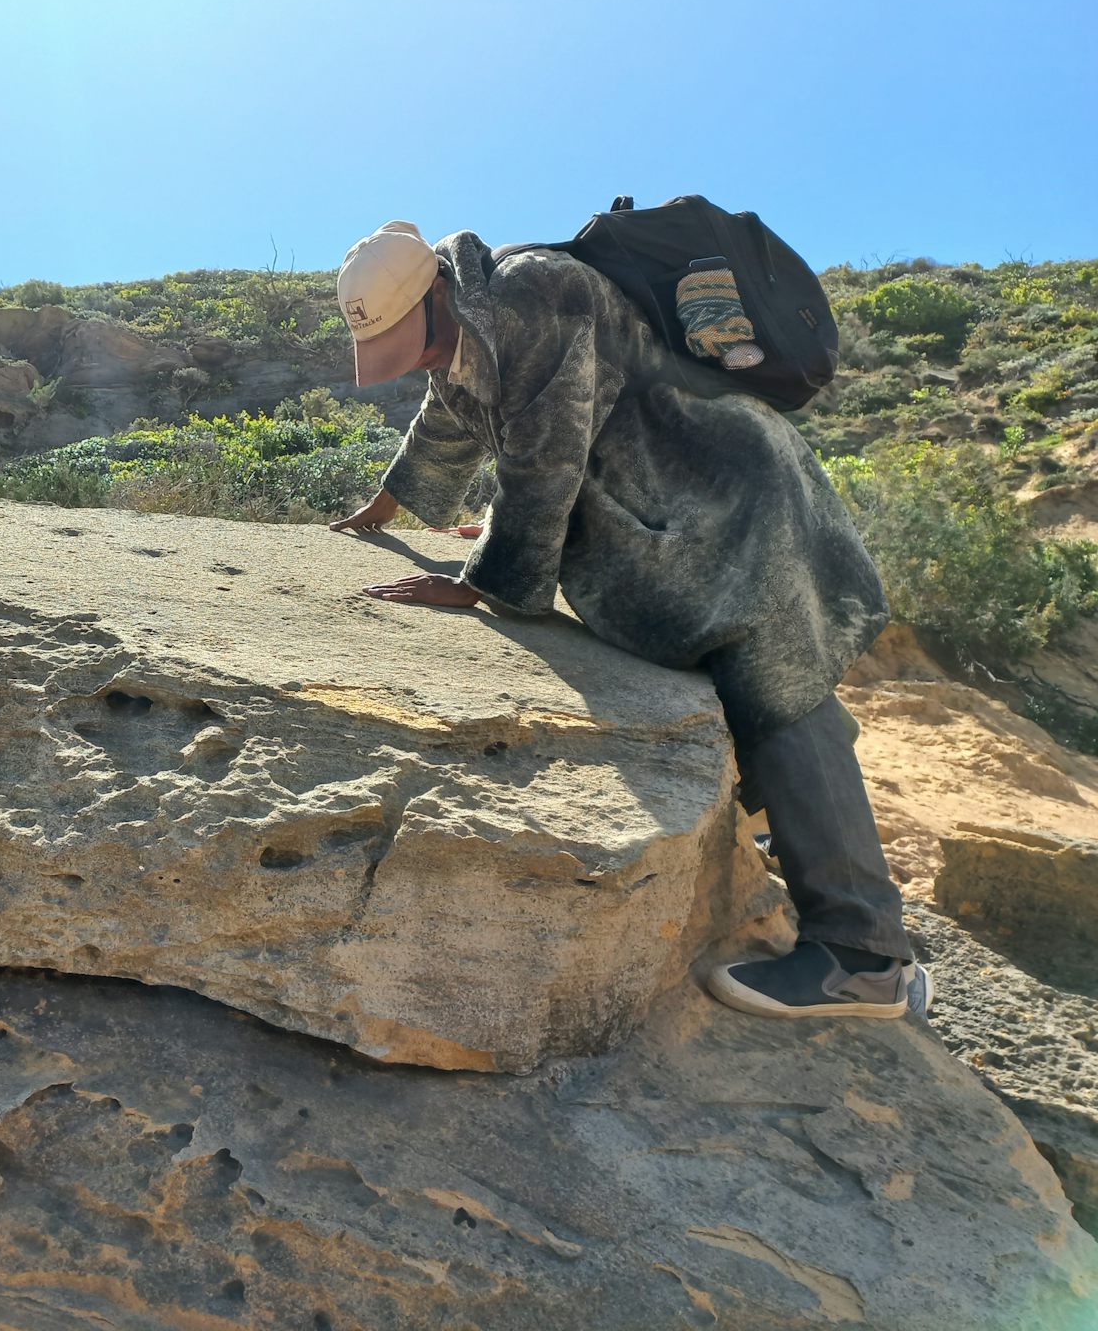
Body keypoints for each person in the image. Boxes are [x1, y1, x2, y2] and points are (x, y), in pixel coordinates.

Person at [329, 219, 931, 1020]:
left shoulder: (534, 293)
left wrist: (481, 583)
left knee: (782, 689)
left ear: (437, 291)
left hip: (728, 488)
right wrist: (384, 507)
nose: (423, 359)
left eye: (417, 340)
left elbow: (544, 454)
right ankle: (787, 845)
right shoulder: (468, 320)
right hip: (667, 501)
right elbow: (450, 415)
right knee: (747, 677)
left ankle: (866, 958)